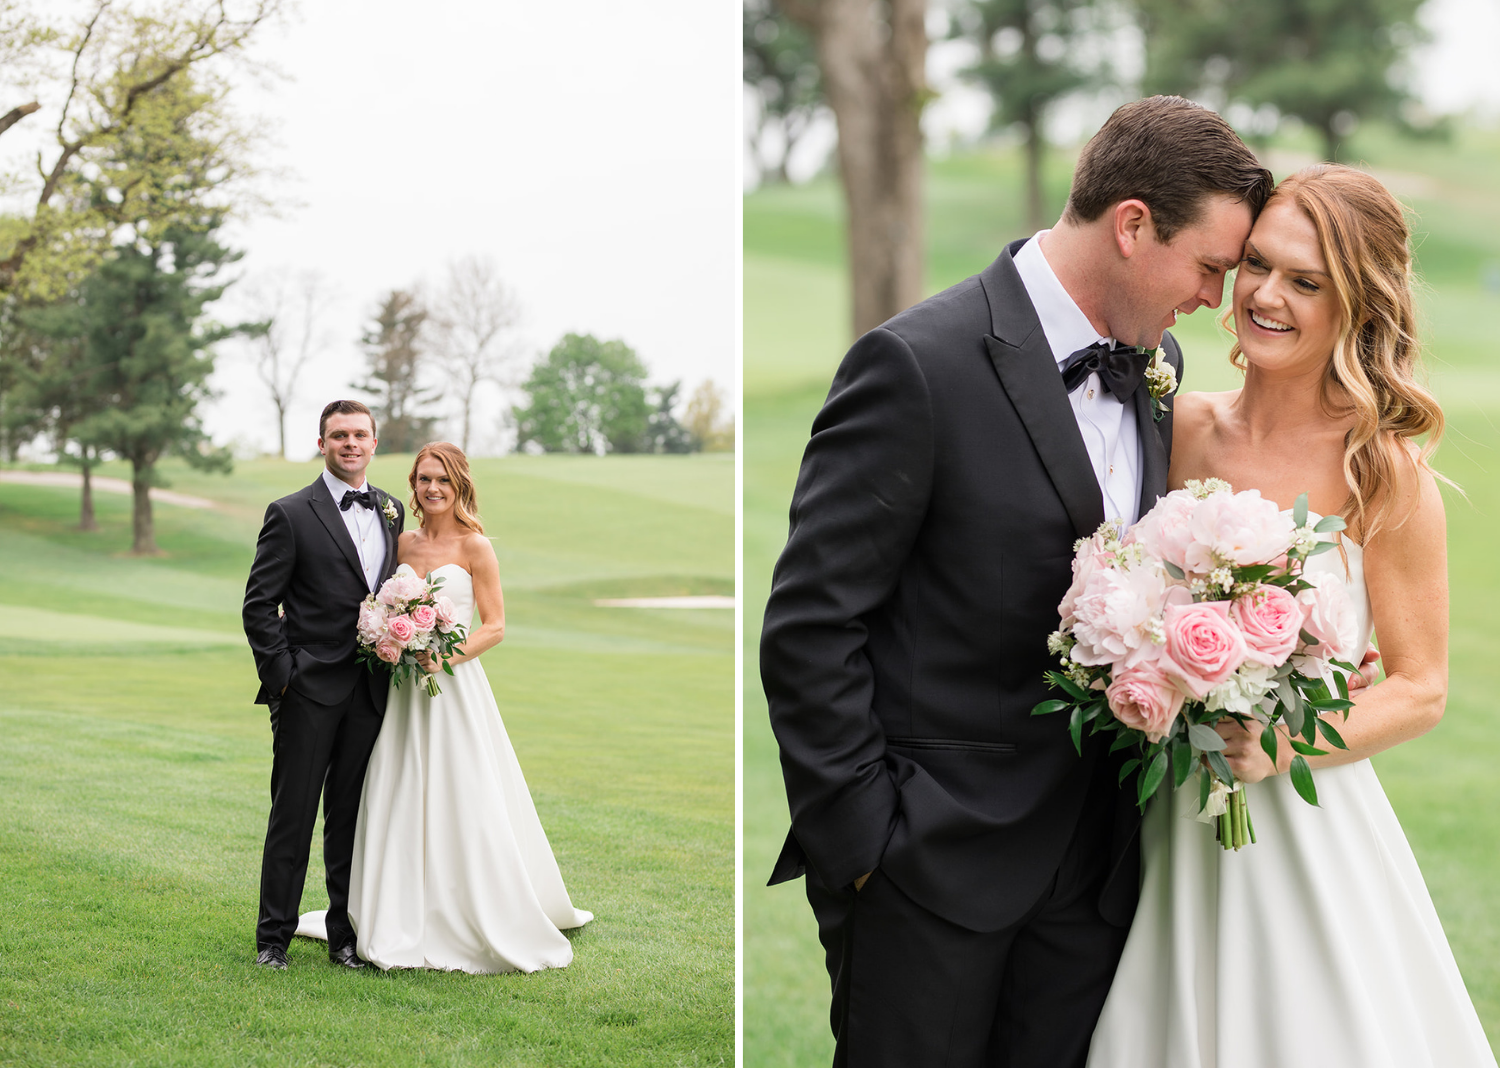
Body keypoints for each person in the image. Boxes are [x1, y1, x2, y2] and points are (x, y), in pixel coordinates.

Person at [760, 96, 1273, 1068]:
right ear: (1132, 226)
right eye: (1208, 266)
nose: (1216, 299)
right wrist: (868, 850)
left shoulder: (1155, 362)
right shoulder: (915, 365)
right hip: (927, 874)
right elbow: (811, 628)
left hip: (1097, 874)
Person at [1086, 166, 1496, 1067]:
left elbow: (1421, 688)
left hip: (1299, 823)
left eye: (1306, 282)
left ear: (1357, 303)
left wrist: (1279, 747)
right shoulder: (1175, 424)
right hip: (1155, 816)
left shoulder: (1381, 473)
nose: (1267, 297)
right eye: (1257, 266)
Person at [338, 441, 592, 973]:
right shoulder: (400, 541)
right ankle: (396, 905)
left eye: (443, 481)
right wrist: (389, 636)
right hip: (403, 689)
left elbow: (495, 626)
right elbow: (380, 602)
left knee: (463, 788)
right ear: (414, 483)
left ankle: (472, 908)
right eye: (425, 479)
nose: (433, 489)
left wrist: (443, 659)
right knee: (398, 783)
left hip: (452, 685)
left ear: (460, 486)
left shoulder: (476, 546)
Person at [242, 399, 405, 970]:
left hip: (370, 689)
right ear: (322, 443)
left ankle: (344, 938)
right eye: (340, 436)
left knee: (351, 818)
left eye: (360, 435)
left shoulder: (391, 509)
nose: (351, 444)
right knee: (293, 815)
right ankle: (273, 941)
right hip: (308, 689)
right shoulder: (289, 513)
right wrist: (284, 678)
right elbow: (259, 606)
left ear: (374, 443)